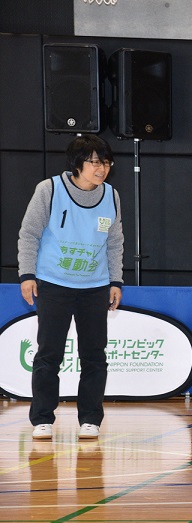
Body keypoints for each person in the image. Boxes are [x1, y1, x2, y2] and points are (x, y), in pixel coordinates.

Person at [17, 135, 124, 440]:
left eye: (105, 161)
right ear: (77, 164)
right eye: (93, 161)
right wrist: (27, 274)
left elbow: (115, 243)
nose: (100, 168)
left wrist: (115, 281)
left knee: (94, 355)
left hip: (95, 288)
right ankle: (42, 418)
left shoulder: (111, 196)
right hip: (54, 284)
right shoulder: (49, 190)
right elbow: (29, 234)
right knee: (49, 353)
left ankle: (90, 418)